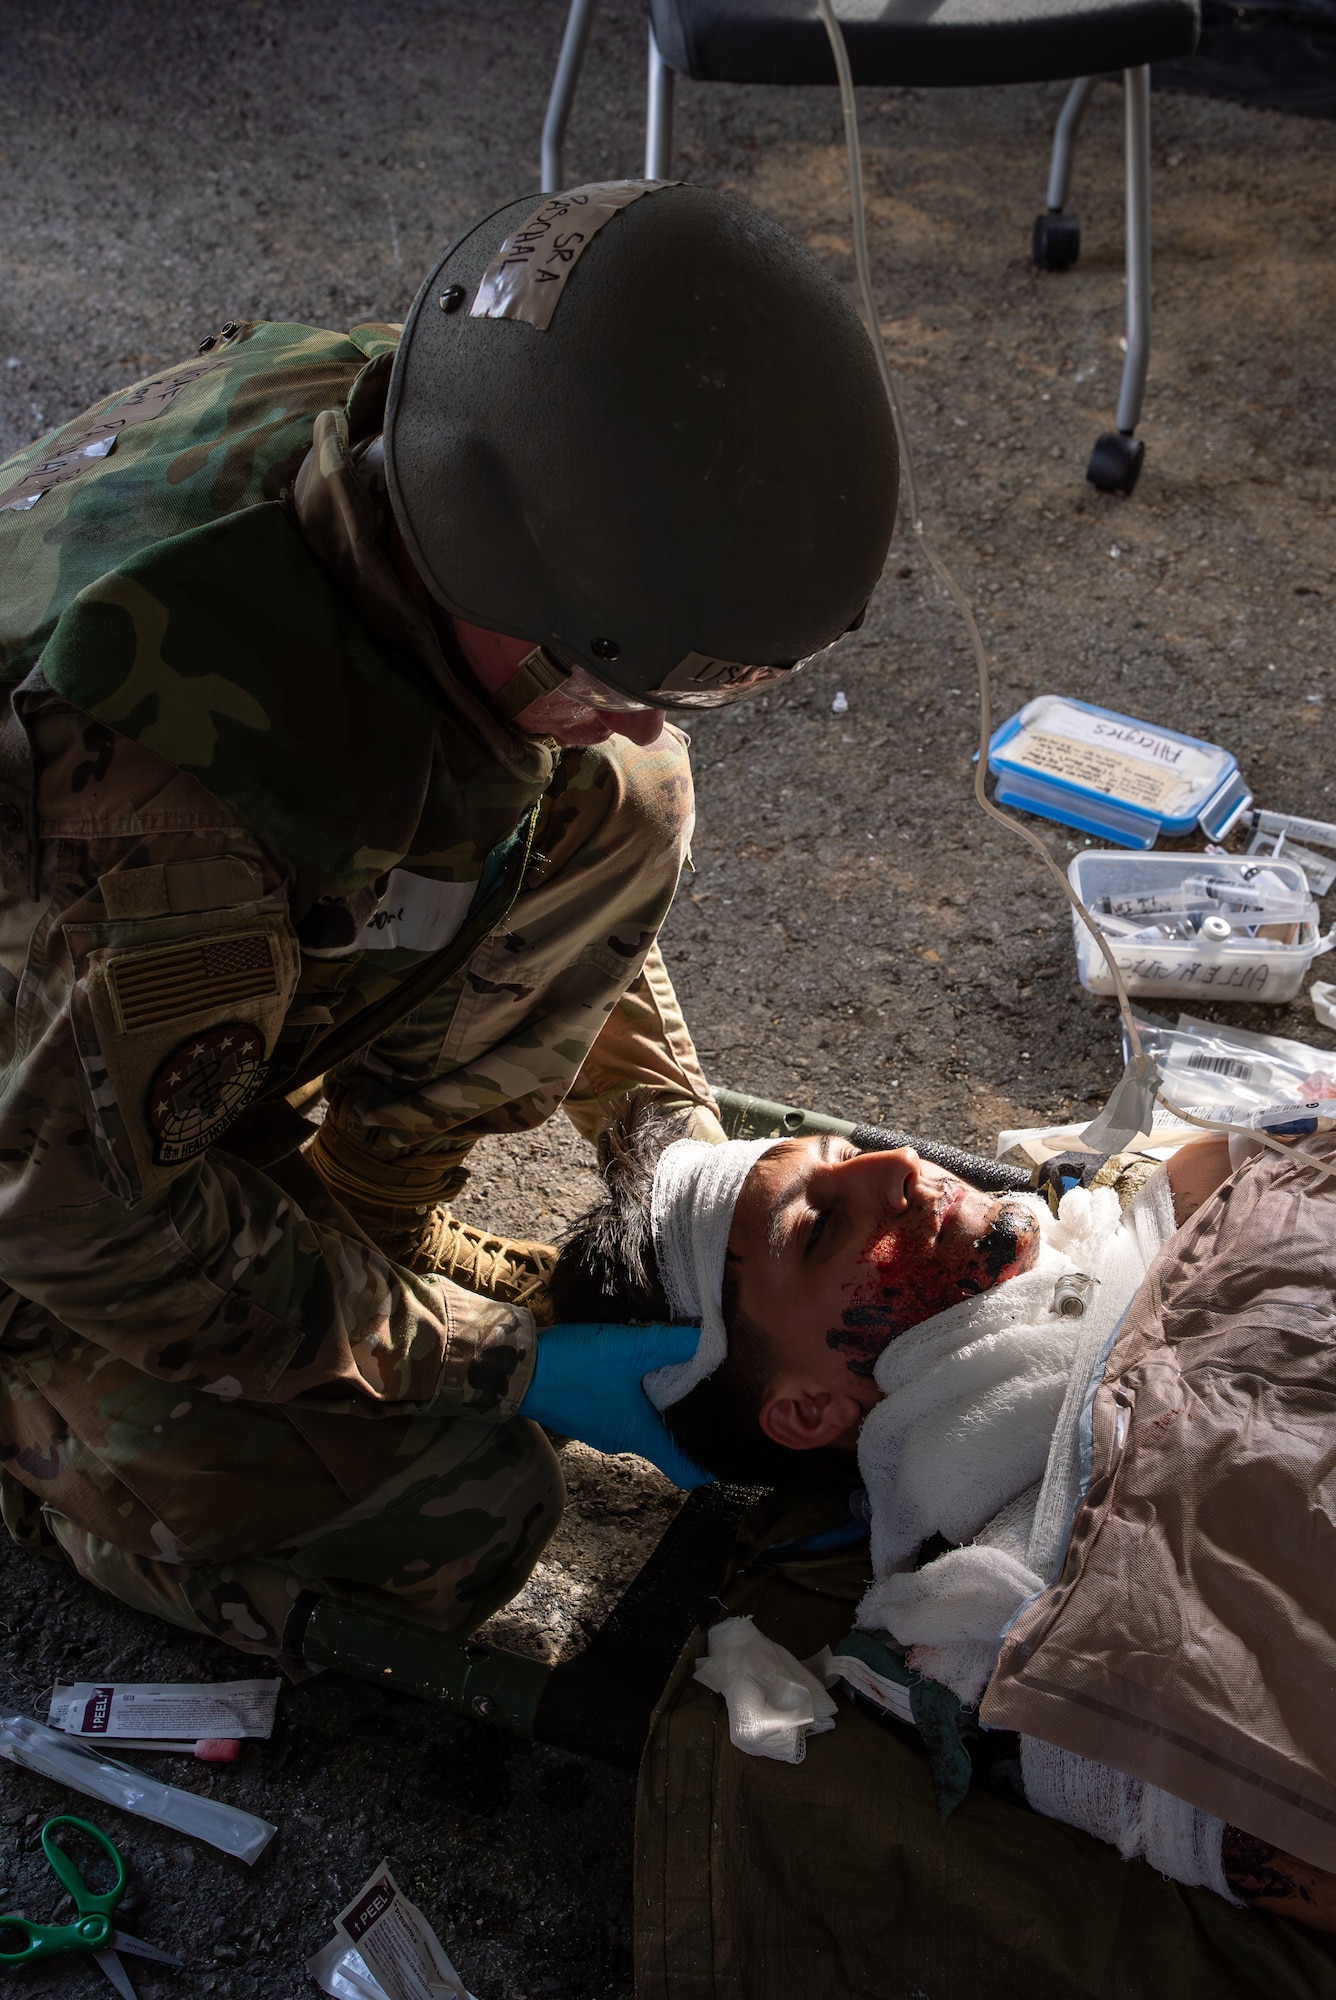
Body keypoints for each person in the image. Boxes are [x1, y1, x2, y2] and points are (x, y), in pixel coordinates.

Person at [0, 181, 899, 1659]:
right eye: (631, 666)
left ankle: (349, 1229)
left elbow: (543, 803)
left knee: (621, 794)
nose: (637, 708)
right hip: (43, 1191)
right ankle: (42, 1465)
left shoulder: (459, 436)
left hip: (78, 1026)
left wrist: (668, 1142)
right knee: (456, 1511)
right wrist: (488, 1365)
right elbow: (80, 1220)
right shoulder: (176, 813)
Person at [553, 1099, 1336, 1930]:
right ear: (810, 1410)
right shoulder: (1039, 1639)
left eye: (844, 1150)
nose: (890, 1163)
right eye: (820, 1229)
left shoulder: (1186, 1188)